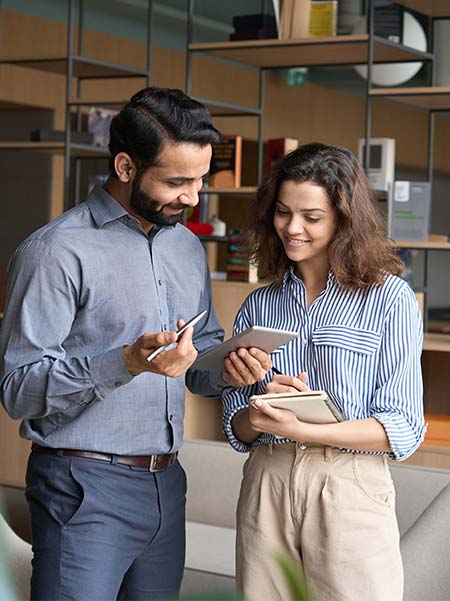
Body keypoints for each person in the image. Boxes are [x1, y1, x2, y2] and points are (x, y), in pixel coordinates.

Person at [0, 86, 271, 601]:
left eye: (199, 180)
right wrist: (124, 361)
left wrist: (231, 365)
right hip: (81, 486)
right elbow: (16, 389)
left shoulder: (187, 247)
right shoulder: (55, 252)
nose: (192, 197)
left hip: (167, 486)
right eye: (177, 181)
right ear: (125, 167)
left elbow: (199, 359)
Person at [222, 143, 425, 601]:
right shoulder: (260, 304)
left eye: (311, 217)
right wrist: (256, 414)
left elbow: (403, 429)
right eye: (283, 212)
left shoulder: (388, 299)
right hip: (267, 481)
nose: (292, 228)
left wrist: (304, 428)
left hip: (347, 483)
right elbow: (235, 424)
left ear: (343, 219)